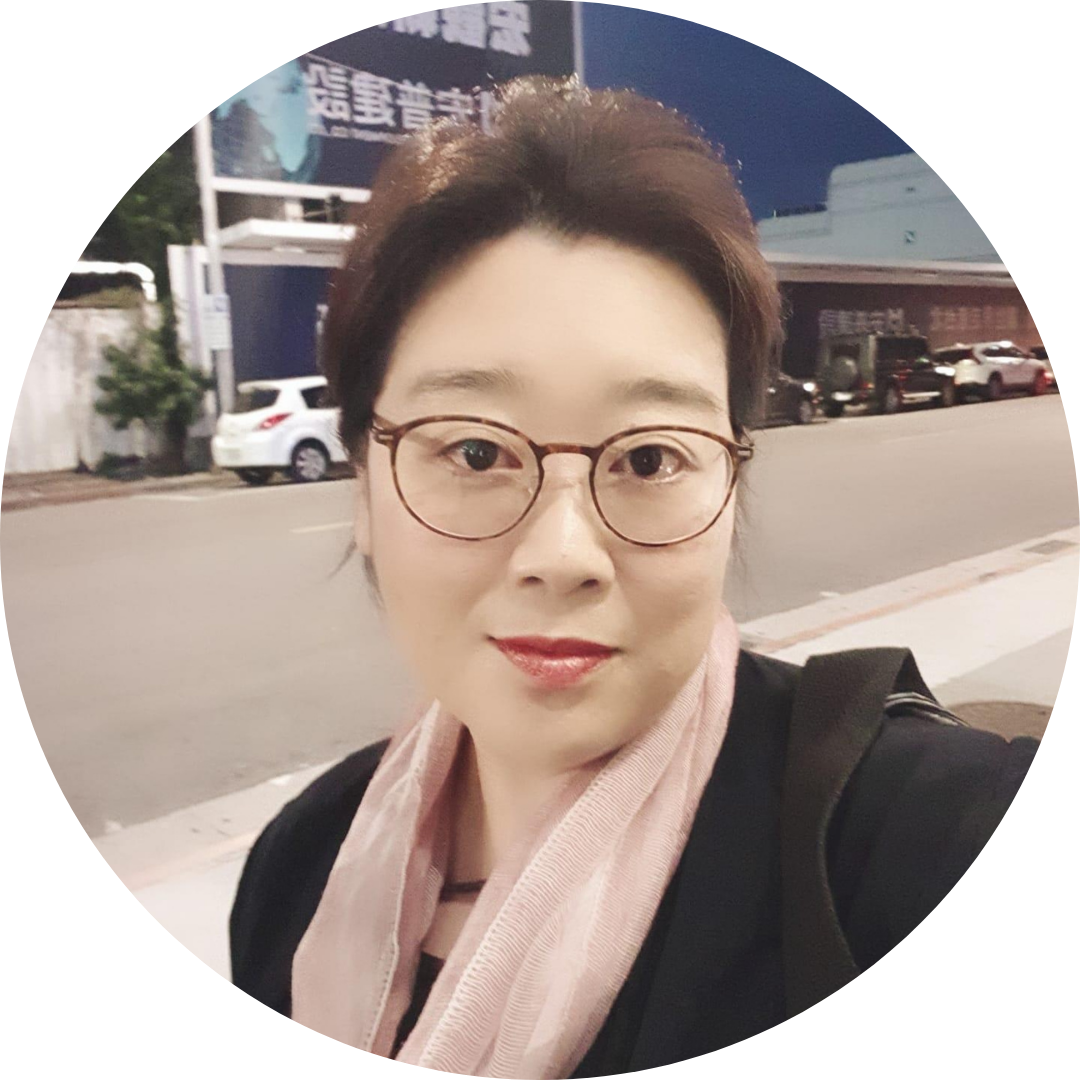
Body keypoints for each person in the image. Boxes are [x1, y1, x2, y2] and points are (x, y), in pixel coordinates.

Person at [229, 75, 1039, 1075]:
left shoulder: (902, 839)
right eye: (475, 452)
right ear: (362, 485)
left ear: (732, 483)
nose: (563, 557)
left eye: (650, 457)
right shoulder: (298, 866)